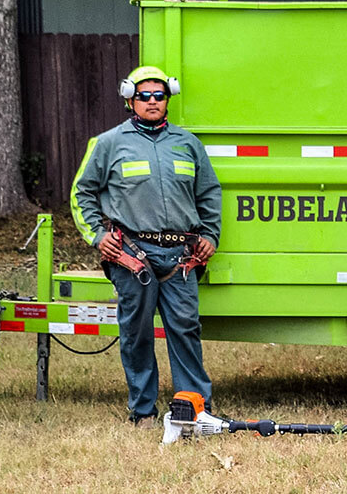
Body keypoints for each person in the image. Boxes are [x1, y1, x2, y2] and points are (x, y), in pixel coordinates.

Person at [70, 65, 220, 428]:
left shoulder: (188, 144)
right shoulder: (108, 144)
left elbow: (209, 193)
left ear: (168, 99)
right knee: (136, 335)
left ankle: (193, 408)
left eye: (159, 95)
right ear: (130, 100)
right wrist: (98, 236)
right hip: (133, 257)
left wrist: (210, 235)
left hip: (181, 257)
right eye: (144, 96)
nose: (152, 101)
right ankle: (143, 411)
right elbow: (81, 193)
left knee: (185, 329)